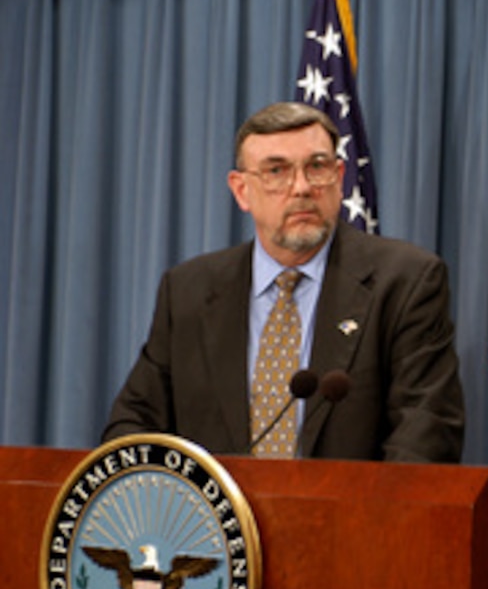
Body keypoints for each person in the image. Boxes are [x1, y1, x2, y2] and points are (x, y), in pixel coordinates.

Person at [106, 102, 464, 462]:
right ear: (242, 190)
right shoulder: (188, 291)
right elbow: (134, 425)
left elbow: (426, 434)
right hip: (215, 517)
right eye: (276, 171)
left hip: (353, 516)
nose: (302, 188)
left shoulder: (405, 281)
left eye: (317, 167)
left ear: (340, 178)